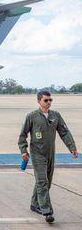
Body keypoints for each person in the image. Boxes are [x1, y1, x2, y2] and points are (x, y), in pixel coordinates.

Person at [18, 91, 78, 223]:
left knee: (46, 181)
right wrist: (23, 150)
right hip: (37, 153)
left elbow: (64, 132)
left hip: (50, 153)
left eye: (50, 100)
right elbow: (23, 135)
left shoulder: (55, 116)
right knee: (42, 182)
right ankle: (47, 211)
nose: (49, 102)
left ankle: (34, 204)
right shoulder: (32, 116)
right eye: (46, 100)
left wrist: (72, 147)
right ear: (39, 101)